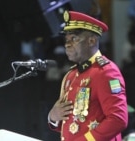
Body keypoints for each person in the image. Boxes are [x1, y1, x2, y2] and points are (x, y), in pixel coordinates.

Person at [48, 10, 128, 141]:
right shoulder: (71, 75)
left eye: (74, 39)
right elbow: (72, 124)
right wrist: (53, 117)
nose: (67, 44)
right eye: (66, 39)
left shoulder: (106, 71)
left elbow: (118, 119)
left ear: (91, 41)